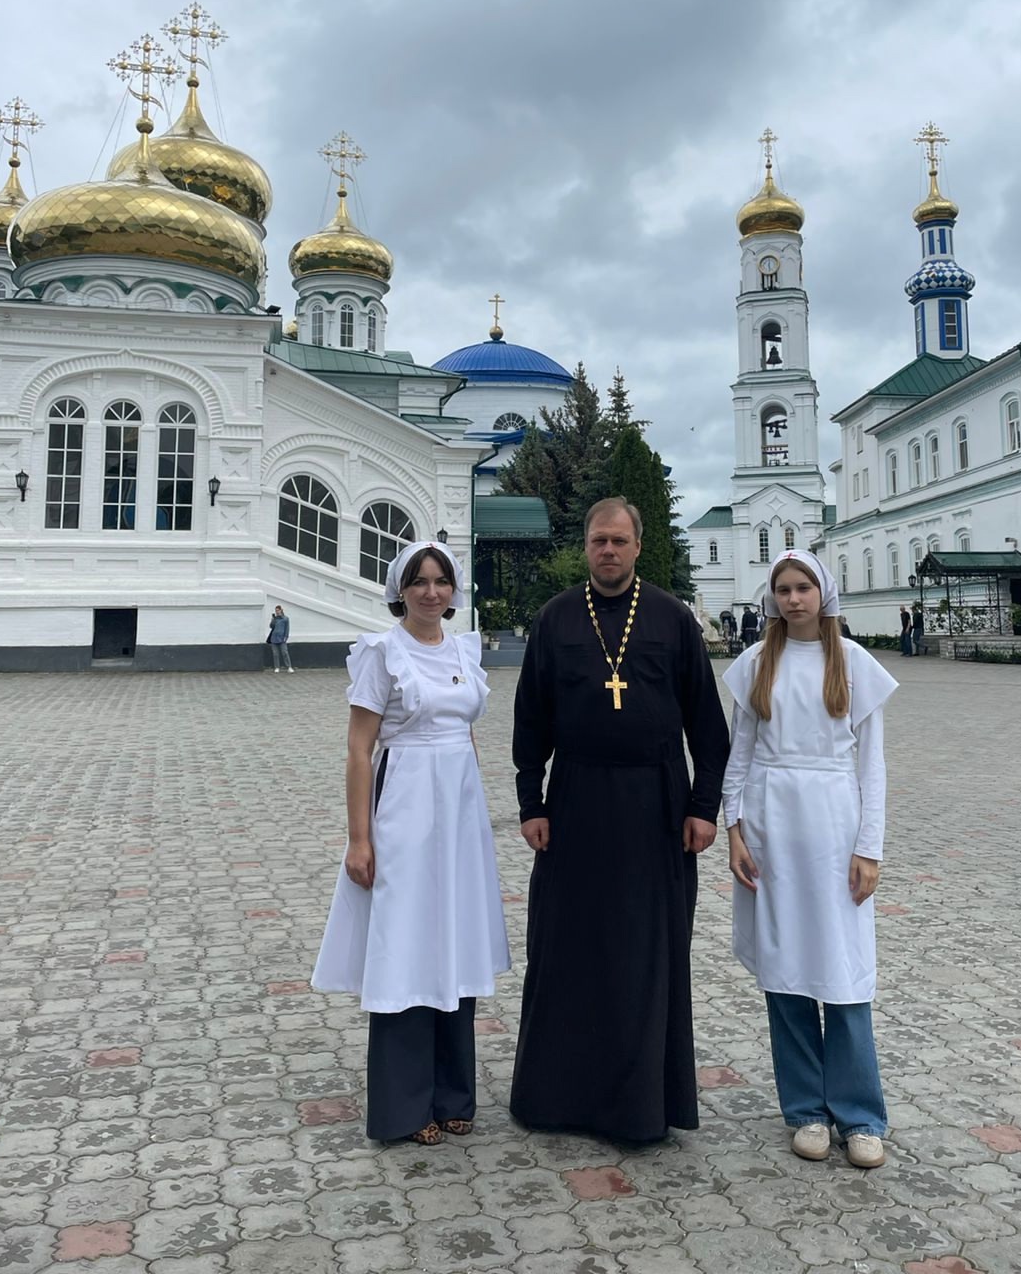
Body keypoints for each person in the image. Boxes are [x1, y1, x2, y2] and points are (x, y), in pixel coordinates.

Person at [510, 496, 730, 1143]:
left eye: (619, 540)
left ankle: (639, 1107)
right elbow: (530, 718)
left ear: (638, 545)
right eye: (598, 541)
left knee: (645, 953)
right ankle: (558, 1098)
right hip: (575, 801)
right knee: (567, 947)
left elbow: (708, 726)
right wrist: (530, 802)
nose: (608, 550)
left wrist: (703, 807)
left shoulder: (672, 618)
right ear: (586, 547)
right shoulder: (555, 618)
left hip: (656, 805)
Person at [311, 541, 509, 1144]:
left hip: (459, 817)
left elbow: (464, 734)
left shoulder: (464, 649)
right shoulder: (383, 653)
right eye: (419, 582)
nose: (430, 592)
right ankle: (405, 1105)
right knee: (407, 943)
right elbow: (358, 750)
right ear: (401, 589)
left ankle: (454, 1094)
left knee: (454, 940)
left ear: (453, 590)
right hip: (404, 809)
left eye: (440, 581)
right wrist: (359, 838)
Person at [723, 550, 898, 1169]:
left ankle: (860, 1114)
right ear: (772, 596)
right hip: (772, 825)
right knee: (787, 967)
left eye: (803, 588)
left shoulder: (852, 662)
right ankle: (804, 1109)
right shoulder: (756, 663)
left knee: (842, 970)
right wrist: (734, 829)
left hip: (833, 823)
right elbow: (740, 753)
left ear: (823, 594)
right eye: (783, 589)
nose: (793, 598)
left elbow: (871, 766)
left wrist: (869, 848)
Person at [269, 605, 293, 672]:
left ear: (281, 610)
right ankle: (277, 667)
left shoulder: (285, 618)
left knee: (284, 652)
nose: (277, 612)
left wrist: (286, 636)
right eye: (276, 611)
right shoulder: (275, 619)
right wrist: (272, 620)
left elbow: (287, 628)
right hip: (274, 638)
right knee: (275, 654)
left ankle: (289, 667)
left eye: (278, 610)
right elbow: (271, 626)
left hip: (282, 638)